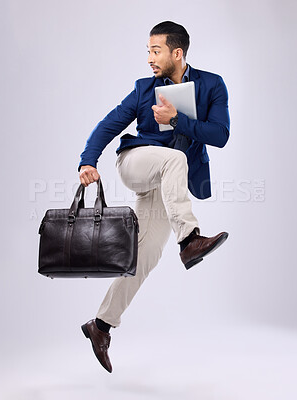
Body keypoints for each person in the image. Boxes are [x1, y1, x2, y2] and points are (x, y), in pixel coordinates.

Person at [78, 21, 230, 373]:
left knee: (145, 255)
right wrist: (88, 160)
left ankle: (99, 327)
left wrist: (178, 120)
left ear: (177, 53)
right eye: (148, 50)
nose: (149, 57)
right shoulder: (144, 88)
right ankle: (190, 240)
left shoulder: (211, 85)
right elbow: (109, 124)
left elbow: (219, 135)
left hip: (168, 181)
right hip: (136, 163)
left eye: (155, 50)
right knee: (172, 159)